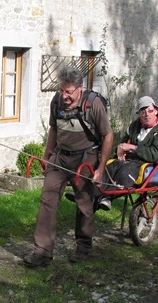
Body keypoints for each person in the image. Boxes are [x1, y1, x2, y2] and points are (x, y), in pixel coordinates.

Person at [23, 66, 113, 267]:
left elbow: (108, 136)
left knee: (84, 202)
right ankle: (42, 252)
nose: (64, 96)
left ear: (80, 88)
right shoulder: (56, 102)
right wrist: (47, 155)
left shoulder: (93, 104)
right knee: (47, 200)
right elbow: (54, 129)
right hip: (60, 157)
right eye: (62, 90)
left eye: (68, 92)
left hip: (85, 158)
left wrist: (100, 168)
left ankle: (83, 247)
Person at [91, 96, 158, 211]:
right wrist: (120, 147)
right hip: (128, 160)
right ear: (139, 114)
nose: (147, 115)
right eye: (143, 112)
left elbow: (156, 154)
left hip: (146, 164)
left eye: (150, 111)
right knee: (108, 167)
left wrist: (134, 148)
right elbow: (124, 142)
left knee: (125, 172)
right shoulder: (135, 125)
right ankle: (89, 196)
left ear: (156, 111)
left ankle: (106, 197)